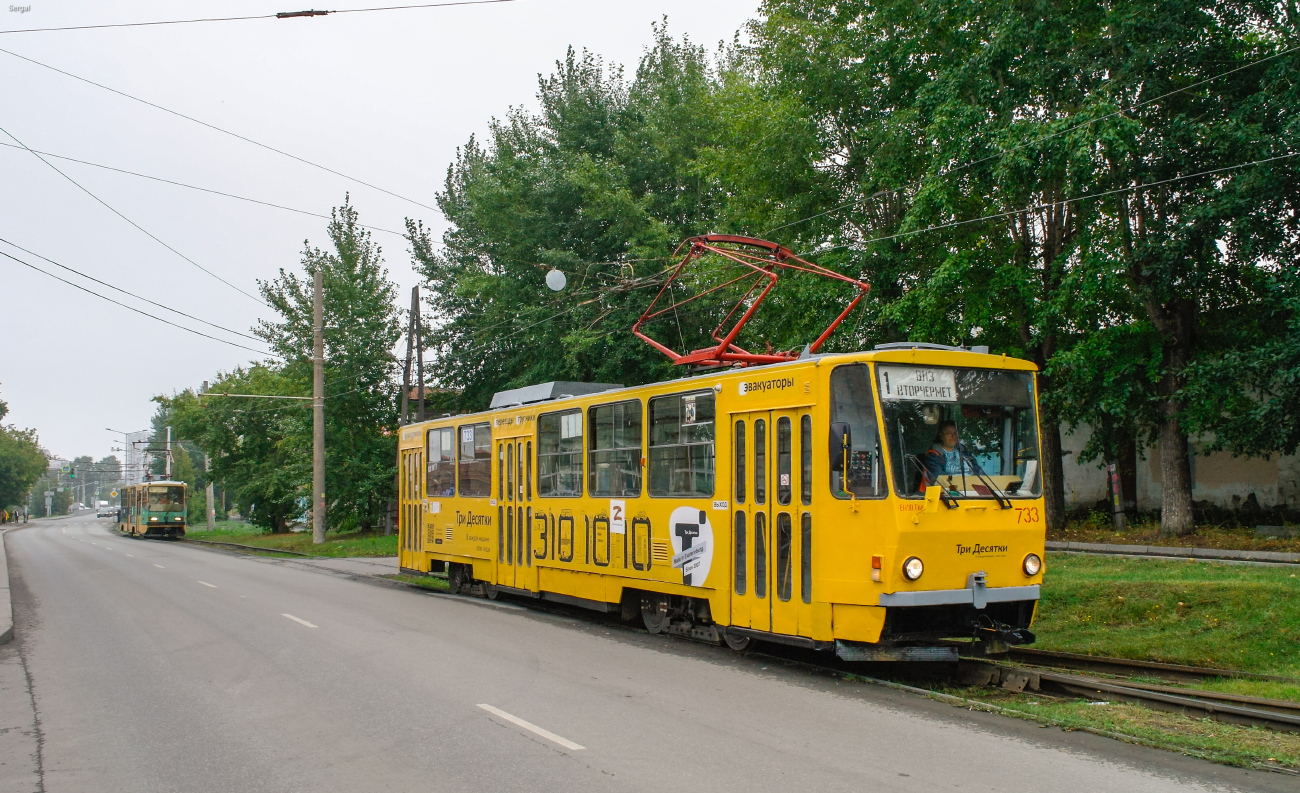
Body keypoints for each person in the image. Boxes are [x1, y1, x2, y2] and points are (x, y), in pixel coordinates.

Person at [921, 421, 973, 488]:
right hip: (949, 493)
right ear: (941, 436)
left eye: (955, 433)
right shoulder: (933, 456)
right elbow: (939, 479)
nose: (953, 436)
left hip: (971, 490)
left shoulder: (963, 451)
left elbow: (978, 471)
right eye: (949, 433)